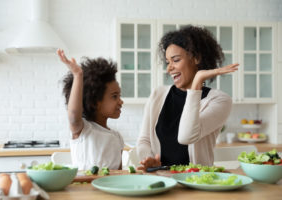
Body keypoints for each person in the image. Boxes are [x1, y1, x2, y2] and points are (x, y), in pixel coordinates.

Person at [136, 25, 239, 171]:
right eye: (168, 62)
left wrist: (197, 83)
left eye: (176, 60)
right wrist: (150, 161)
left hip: (197, 182)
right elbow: (144, 140)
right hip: (161, 180)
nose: (169, 68)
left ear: (196, 58)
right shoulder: (158, 95)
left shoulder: (220, 100)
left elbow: (186, 137)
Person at [57, 49, 124, 170]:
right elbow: (73, 115)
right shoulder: (84, 130)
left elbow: (119, 173)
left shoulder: (117, 137)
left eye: (120, 96)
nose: (121, 101)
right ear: (94, 103)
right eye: (115, 96)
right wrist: (78, 75)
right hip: (85, 189)